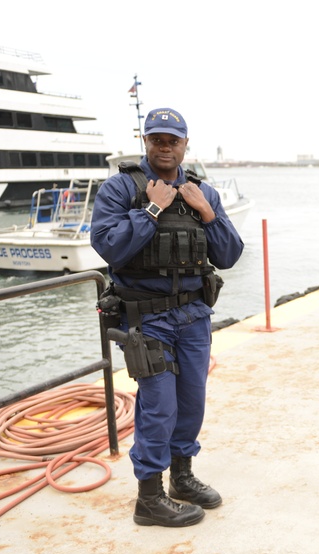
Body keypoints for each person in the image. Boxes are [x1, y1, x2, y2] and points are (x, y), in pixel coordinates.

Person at [91, 107, 244, 528]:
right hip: (148, 319)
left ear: (184, 145)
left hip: (193, 317)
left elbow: (229, 255)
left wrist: (208, 215)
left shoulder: (203, 193)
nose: (165, 147)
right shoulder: (121, 189)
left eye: (172, 140)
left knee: (191, 403)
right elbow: (109, 247)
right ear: (145, 142)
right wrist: (152, 211)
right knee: (158, 406)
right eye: (157, 139)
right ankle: (149, 497)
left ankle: (181, 478)